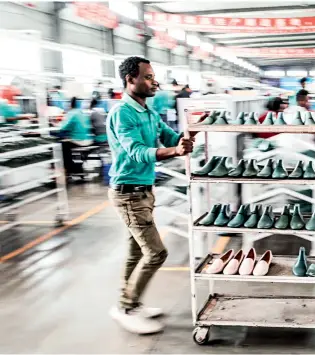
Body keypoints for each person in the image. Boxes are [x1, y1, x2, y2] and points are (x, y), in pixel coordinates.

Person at [107, 56, 194, 334]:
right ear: (130, 79)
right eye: (147, 76)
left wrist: (189, 135)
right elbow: (136, 151)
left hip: (143, 191)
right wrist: (174, 152)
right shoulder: (123, 113)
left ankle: (129, 303)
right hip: (128, 193)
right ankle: (125, 306)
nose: (153, 81)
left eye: (153, 76)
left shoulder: (148, 112)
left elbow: (169, 137)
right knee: (156, 253)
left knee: (136, 252)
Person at [58, 97, 94, 176]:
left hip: (80, 140)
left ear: (70, 105)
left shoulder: (71, 113)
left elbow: (63, 127)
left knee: (61, 145)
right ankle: (74, 167)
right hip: (89, 140)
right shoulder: (81, 112)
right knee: (66, 143)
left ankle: (70, 168)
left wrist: (57, 125)